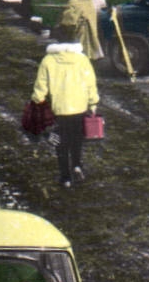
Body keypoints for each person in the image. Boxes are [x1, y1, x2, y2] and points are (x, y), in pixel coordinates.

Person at [31, 28, 100, 187]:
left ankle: (65, 177)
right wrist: (93, 102)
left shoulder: (48, 60)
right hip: (80, 107)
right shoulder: (82, 60)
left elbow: (41, 87)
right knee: (77, 138)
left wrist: (38, 102)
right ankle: (76, 165)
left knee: (60, 143)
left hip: (59, 109)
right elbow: (91, 83)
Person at [56, 0, 105, 64]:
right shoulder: (75, 0)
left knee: (89, 50)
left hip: (90, 28)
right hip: (80, 30)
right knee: (79, 51)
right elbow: (69, 17)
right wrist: (78, 21)